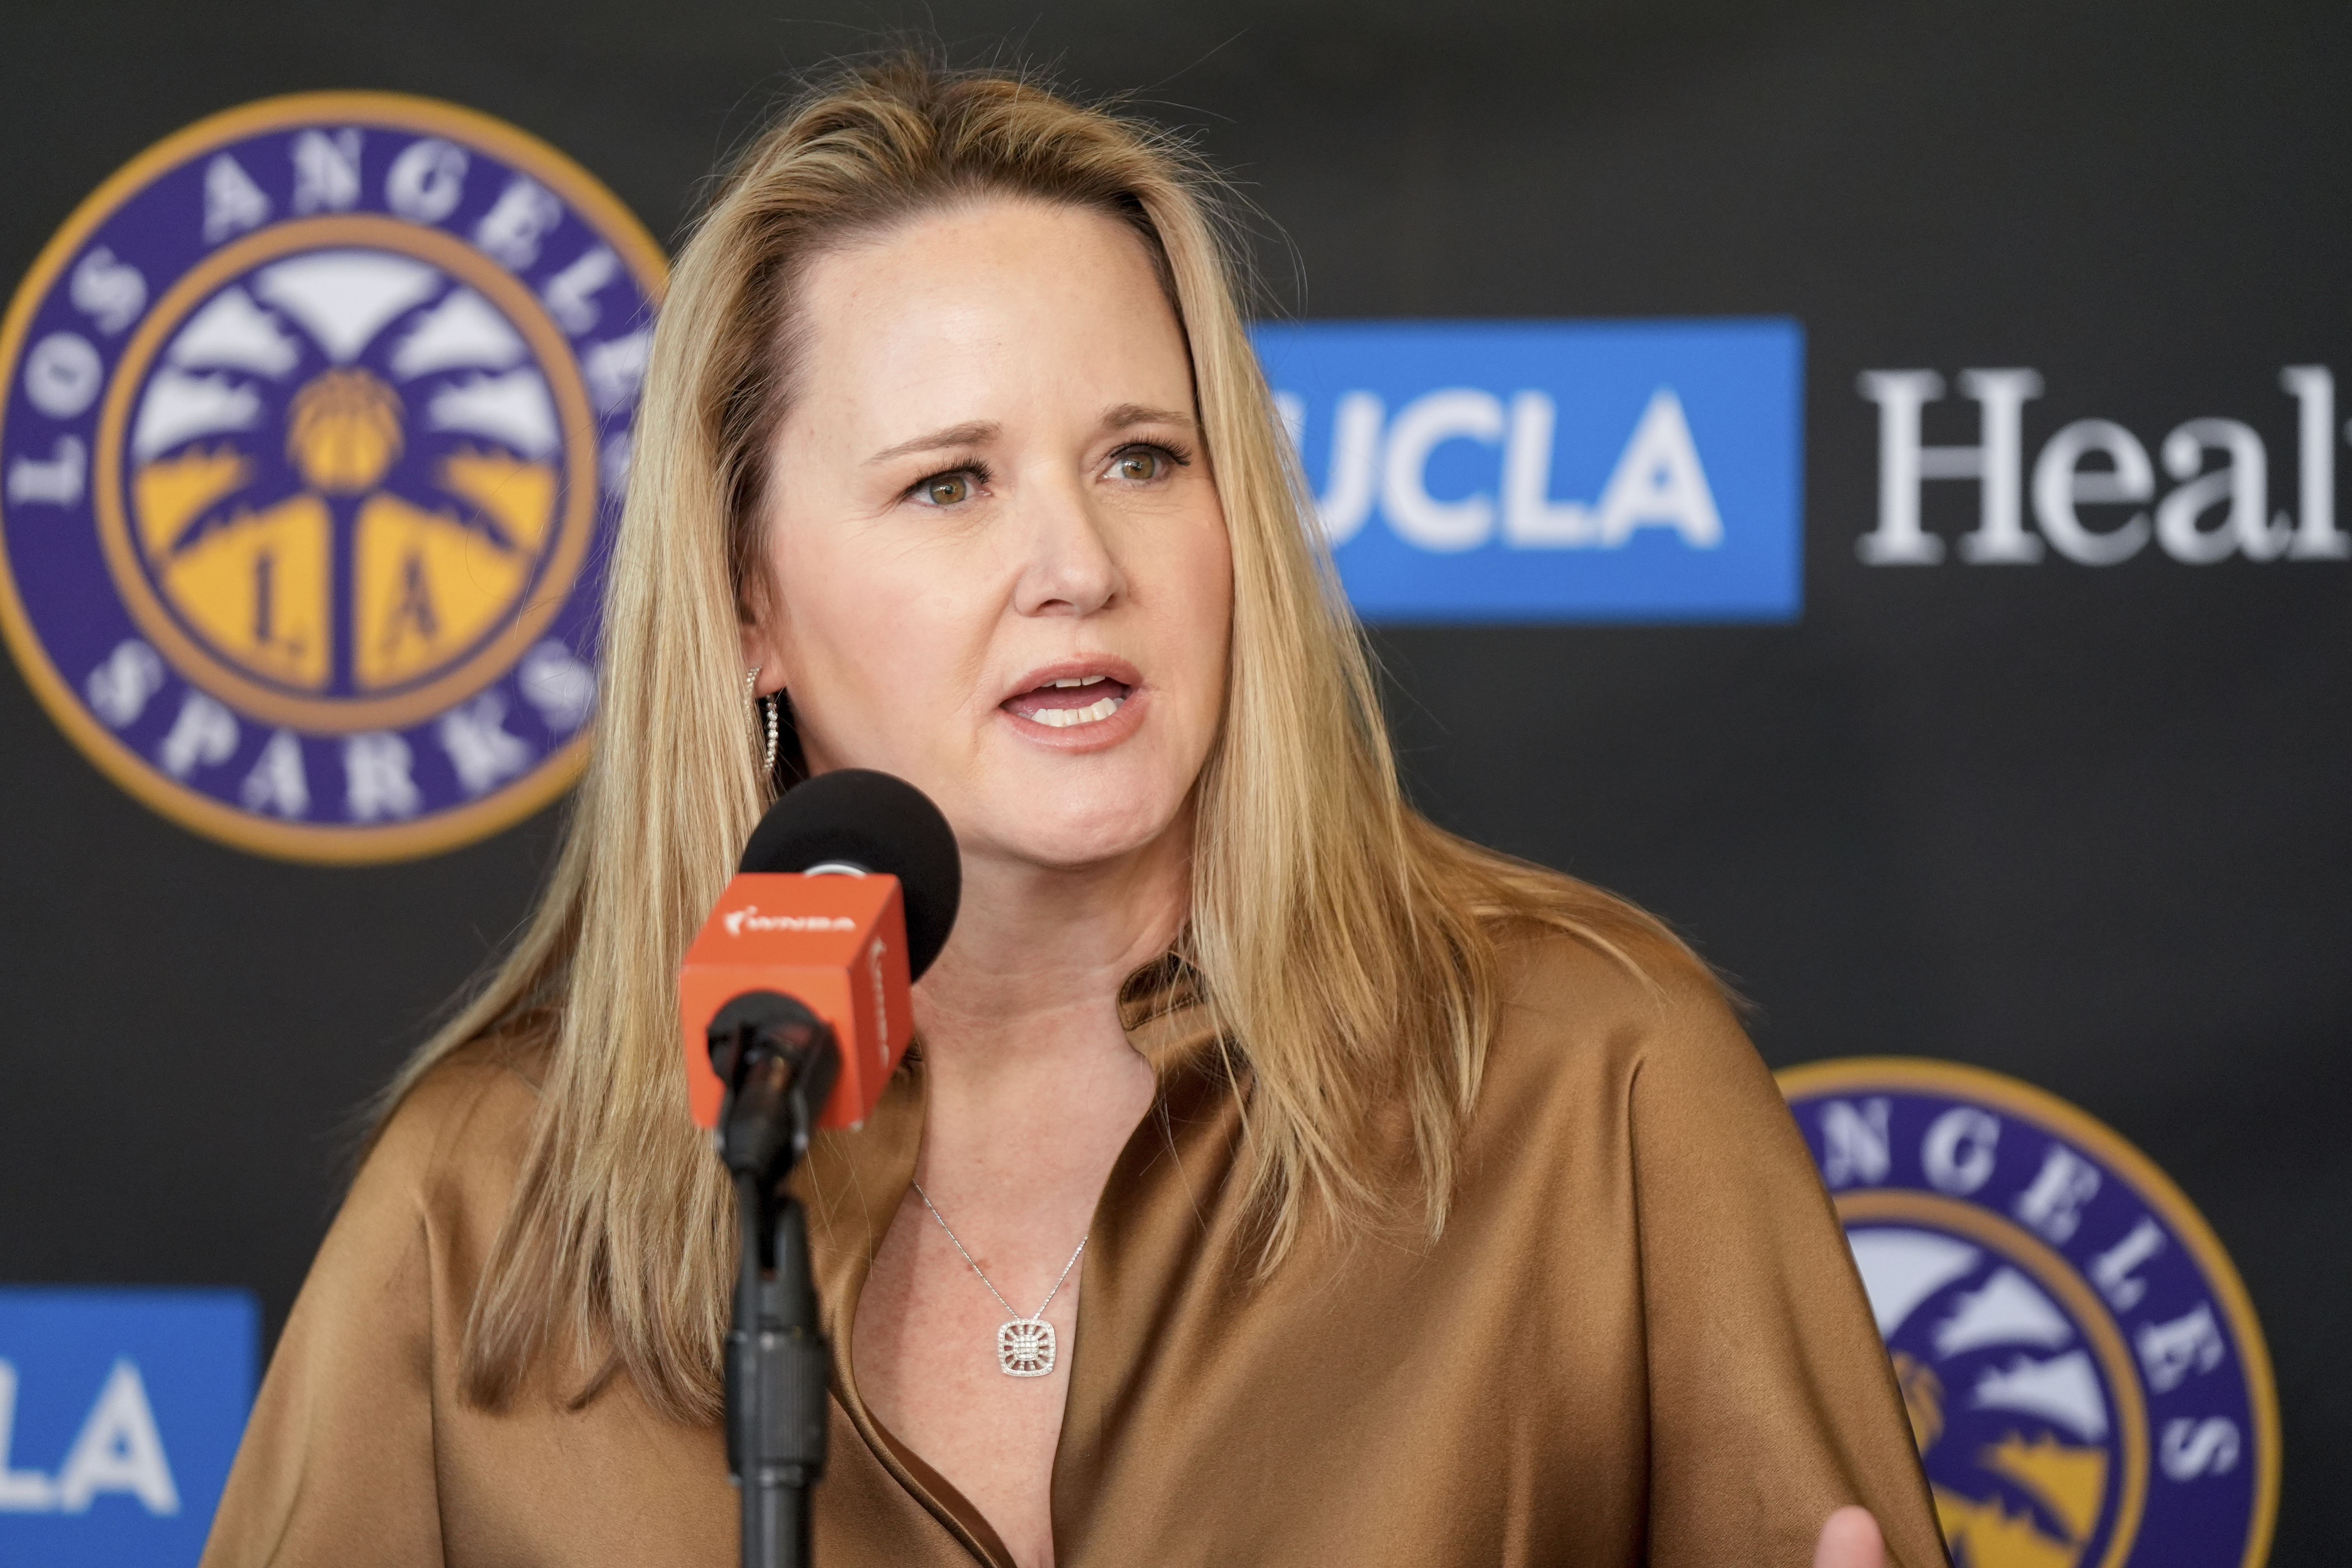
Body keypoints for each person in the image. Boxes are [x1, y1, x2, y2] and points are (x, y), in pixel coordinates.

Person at [202, 56, 1946, 1568]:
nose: (1076, 563)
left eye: (1141, 459)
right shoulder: (482, 1202)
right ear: (748, 603)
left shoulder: (1589, 1074)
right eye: (949, 483)